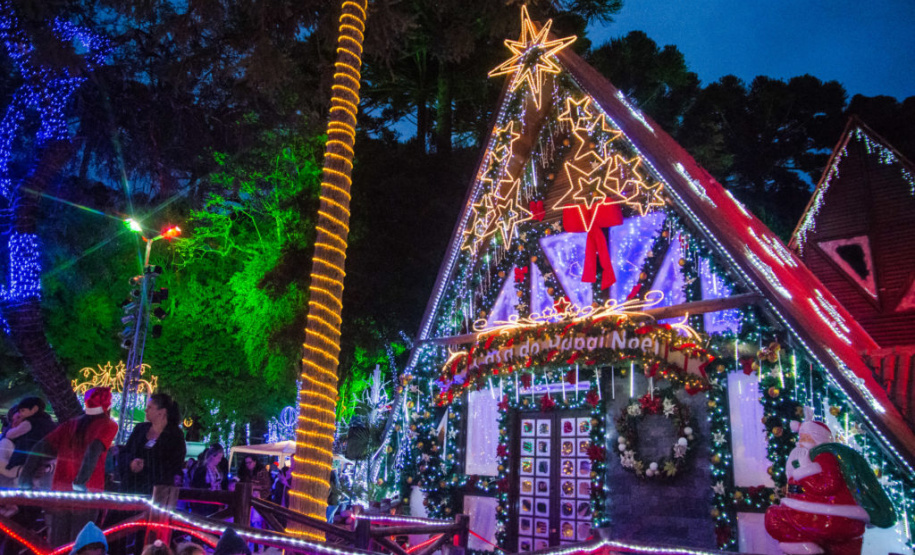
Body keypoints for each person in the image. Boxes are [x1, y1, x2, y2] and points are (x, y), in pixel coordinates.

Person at [765, 409, 896, 555]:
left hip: (827, 518)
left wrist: (805, 469)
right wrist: (795, 485)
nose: (800, 443)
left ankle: (804, 547)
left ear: (817, 438)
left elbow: (827, 485)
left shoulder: (824, 455)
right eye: (800, 438)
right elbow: (800, 489)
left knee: (774, 517)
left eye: (805, 438)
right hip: (829, 518)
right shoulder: (806, 459)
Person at [19, 387, 118, 547]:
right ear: (107, 404)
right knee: (80, 544)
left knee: (58, 544)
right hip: (87, 493)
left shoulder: (70, 424)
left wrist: (25, 477)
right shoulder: (108, 425)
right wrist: (81, 482)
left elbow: (40, 447)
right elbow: (93, 449)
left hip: (60, 492)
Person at [118, 393, 187, 494]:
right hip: (131, 487)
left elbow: (174, 464)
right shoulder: (140, 429)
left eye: (150, 407)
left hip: (156, 491)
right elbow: (125, 452)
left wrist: (146, 465)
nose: (146, 410)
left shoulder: (174, 435)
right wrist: (131, 463)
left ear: (162, 412)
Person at [6, 396, 56, 469]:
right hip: (48, 456)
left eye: (22, 411)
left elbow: (10, 435)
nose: (20, 414)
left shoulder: (29, 422)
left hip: (29, 456)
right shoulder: (49, 421)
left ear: (34, 409)